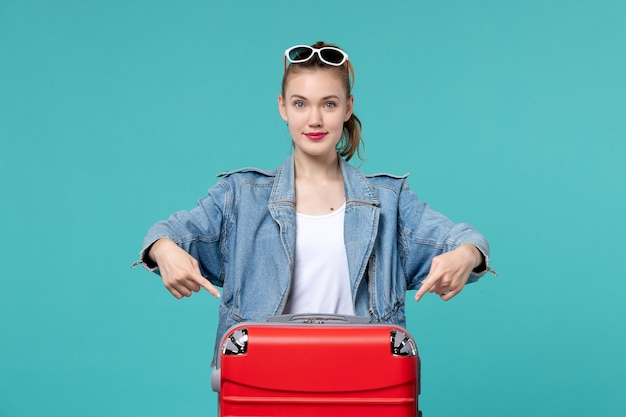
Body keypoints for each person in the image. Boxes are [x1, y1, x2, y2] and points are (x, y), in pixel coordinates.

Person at [136, 41, 493, 366]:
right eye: (300, 104)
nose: (315, 119)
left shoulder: (390, 201)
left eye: (329, 104)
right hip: (265, 387)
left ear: (348, 108)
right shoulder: (240, 197)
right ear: (283, 108)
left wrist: (465, 256)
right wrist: (165, 251)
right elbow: (167, 234)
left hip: (363, 386)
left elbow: (464, 241)